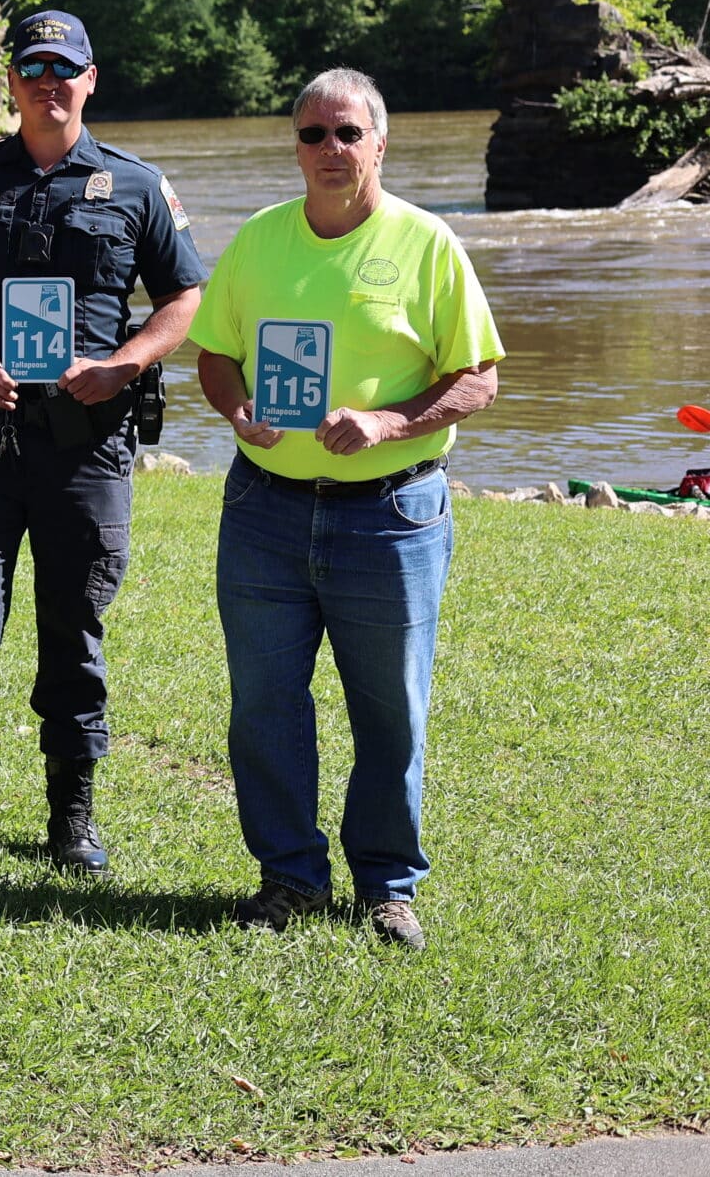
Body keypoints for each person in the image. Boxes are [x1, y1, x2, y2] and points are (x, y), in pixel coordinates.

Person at [190, 69, 502, 951]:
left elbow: (478, 377)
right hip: (264, 510)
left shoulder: (427, 242)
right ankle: (288, 875)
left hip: (391, 514)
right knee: (264, 703)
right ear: (295, 146)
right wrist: (236, 407)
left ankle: (386, 887)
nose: (330, 150)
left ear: (379, 143)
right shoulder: (258, 241)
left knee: (391, 709)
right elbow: (216, 353)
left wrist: (390, 420)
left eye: (347, 134)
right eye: (312, 135)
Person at [0, 10, 207, 884]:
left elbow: (184, 293)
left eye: (63, 68)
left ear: (89, 78)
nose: (48, 82)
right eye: (31, 67)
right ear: (11, 82)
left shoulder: (137, 184)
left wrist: (123, 364)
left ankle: (71, 817)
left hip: (88, 446)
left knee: (74, 628)